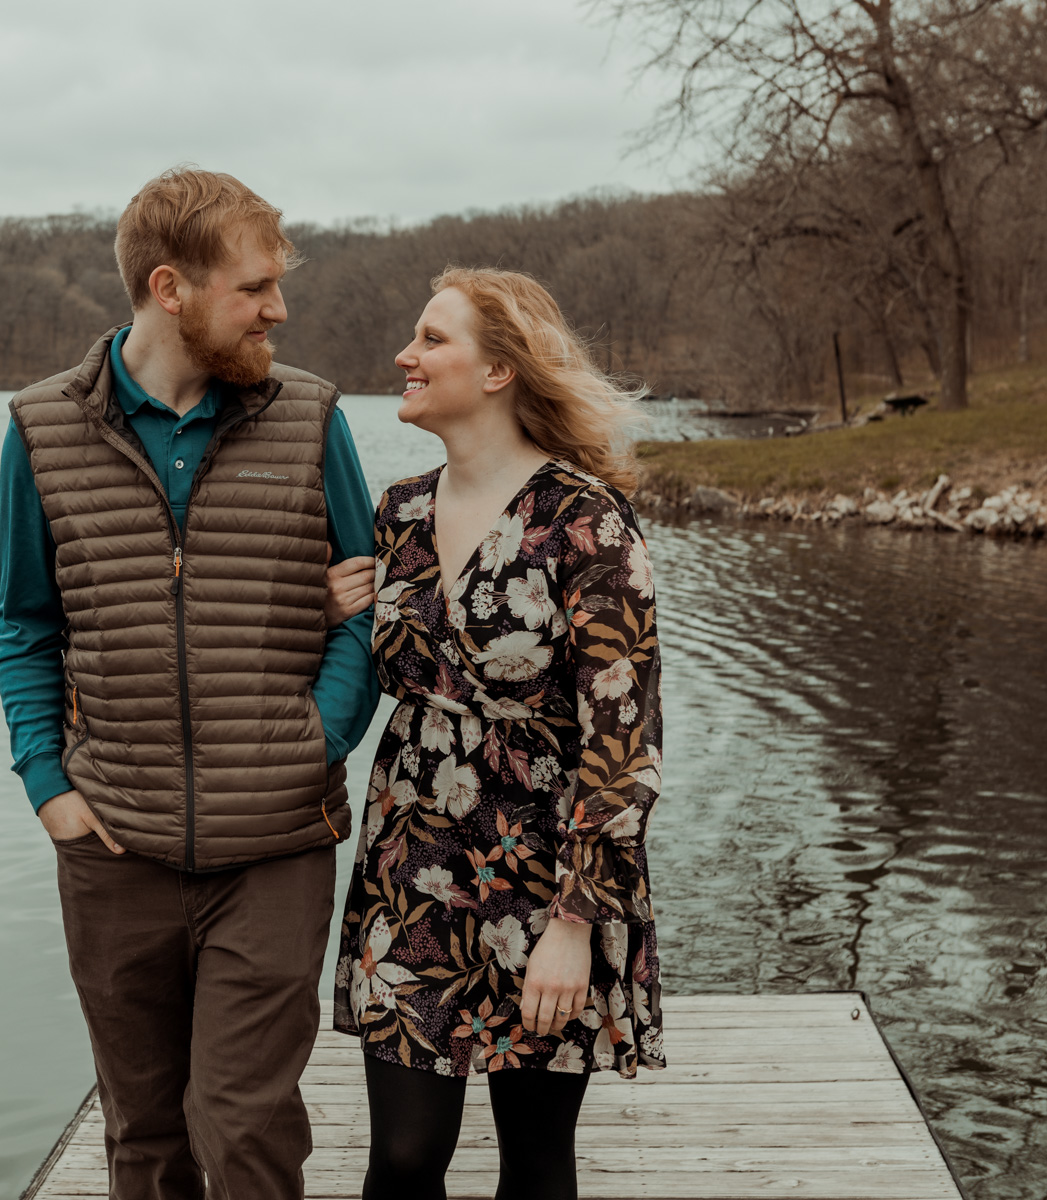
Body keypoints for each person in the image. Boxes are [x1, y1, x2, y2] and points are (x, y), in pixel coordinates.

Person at [0, 167, 381, 1200]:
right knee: (145, 1137)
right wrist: (48, 785)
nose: (278, 309)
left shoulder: (313, 419)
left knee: (245, 1128)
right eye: (254, 287)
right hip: (114, 848)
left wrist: (318, 739)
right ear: (171, 287)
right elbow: (27, 622)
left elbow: (370, 604)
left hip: (276, 848)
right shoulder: (40, 428)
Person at [328, 267, 667, 1200]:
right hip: (413, 862)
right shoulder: (396, 514)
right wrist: (329, 614)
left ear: (499, 371)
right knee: (401, 1161)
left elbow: (623, 744)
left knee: (534, 1162)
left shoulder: (586, 523)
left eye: (432, 339)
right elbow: (371, 672)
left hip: (547, 872)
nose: (406, 354)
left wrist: (574, 922)